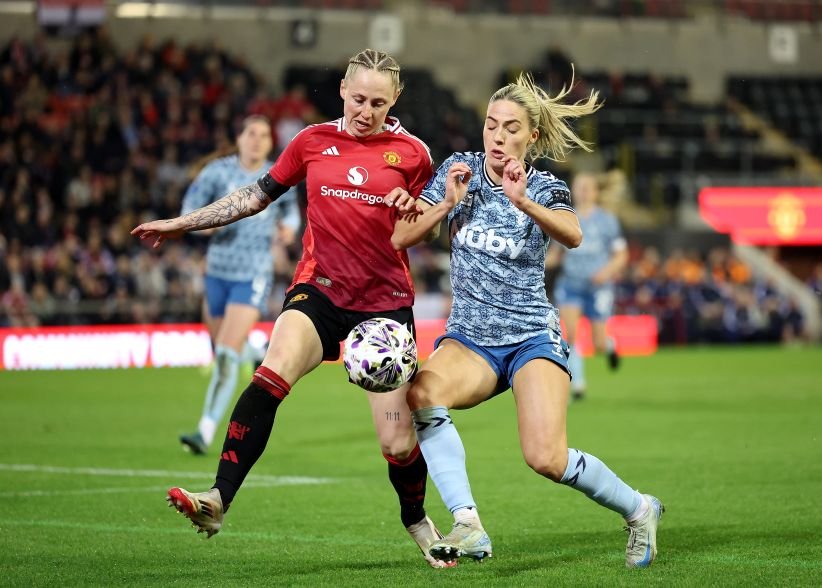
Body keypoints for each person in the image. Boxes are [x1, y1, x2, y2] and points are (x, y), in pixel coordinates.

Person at [132, 49, 453, 569]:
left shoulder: (414, 154)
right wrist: (178, 224)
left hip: (384, 308)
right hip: (318, 291)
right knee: (270, 372)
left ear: (394, 100)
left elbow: (426, 226)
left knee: (397, 442)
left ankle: (416, 519)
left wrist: (419, 209)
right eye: (357, 98)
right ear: (343, 91)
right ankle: (218, 499)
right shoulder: (310, 142)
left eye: (377, 102)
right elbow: (253, 197)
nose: (365, 110)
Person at [390, 73, 664, 568]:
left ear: (530, 137)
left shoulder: (545, 187)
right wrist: (447, 204)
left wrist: (522, 201)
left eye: (510, 127)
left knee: (545, 458)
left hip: (532, 336)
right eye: (491, 125)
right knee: (421, 394)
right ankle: (467, 523)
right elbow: (401, 238)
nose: (496, 136)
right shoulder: (459, 172)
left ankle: (639, 508)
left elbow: (574, 235)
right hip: (471, 339)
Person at [177, 115, 301, 456]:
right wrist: (206, 227)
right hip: (217, 272)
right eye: (251, 133)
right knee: (222, 348)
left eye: (264, 135)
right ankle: (257, 352)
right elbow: (189, 209)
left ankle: (204, 430)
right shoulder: (217, 172)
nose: (257, 140)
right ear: (239, 137)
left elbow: (291, 211)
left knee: (226, 357)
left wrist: (289, 228)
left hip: (252, 275)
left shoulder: (278, 173)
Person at [550, 171, 628, 400]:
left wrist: (606, 272)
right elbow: (556, 254)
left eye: (587, 187)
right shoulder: (564, 217)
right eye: (579, 187)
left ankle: (611, 347)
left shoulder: (607, 220)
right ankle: (578, 384)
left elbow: (621, 255)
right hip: (571, 282)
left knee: (599, 343)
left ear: (595, 192)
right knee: (571, 334)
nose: (583, 191)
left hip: (598, 287)